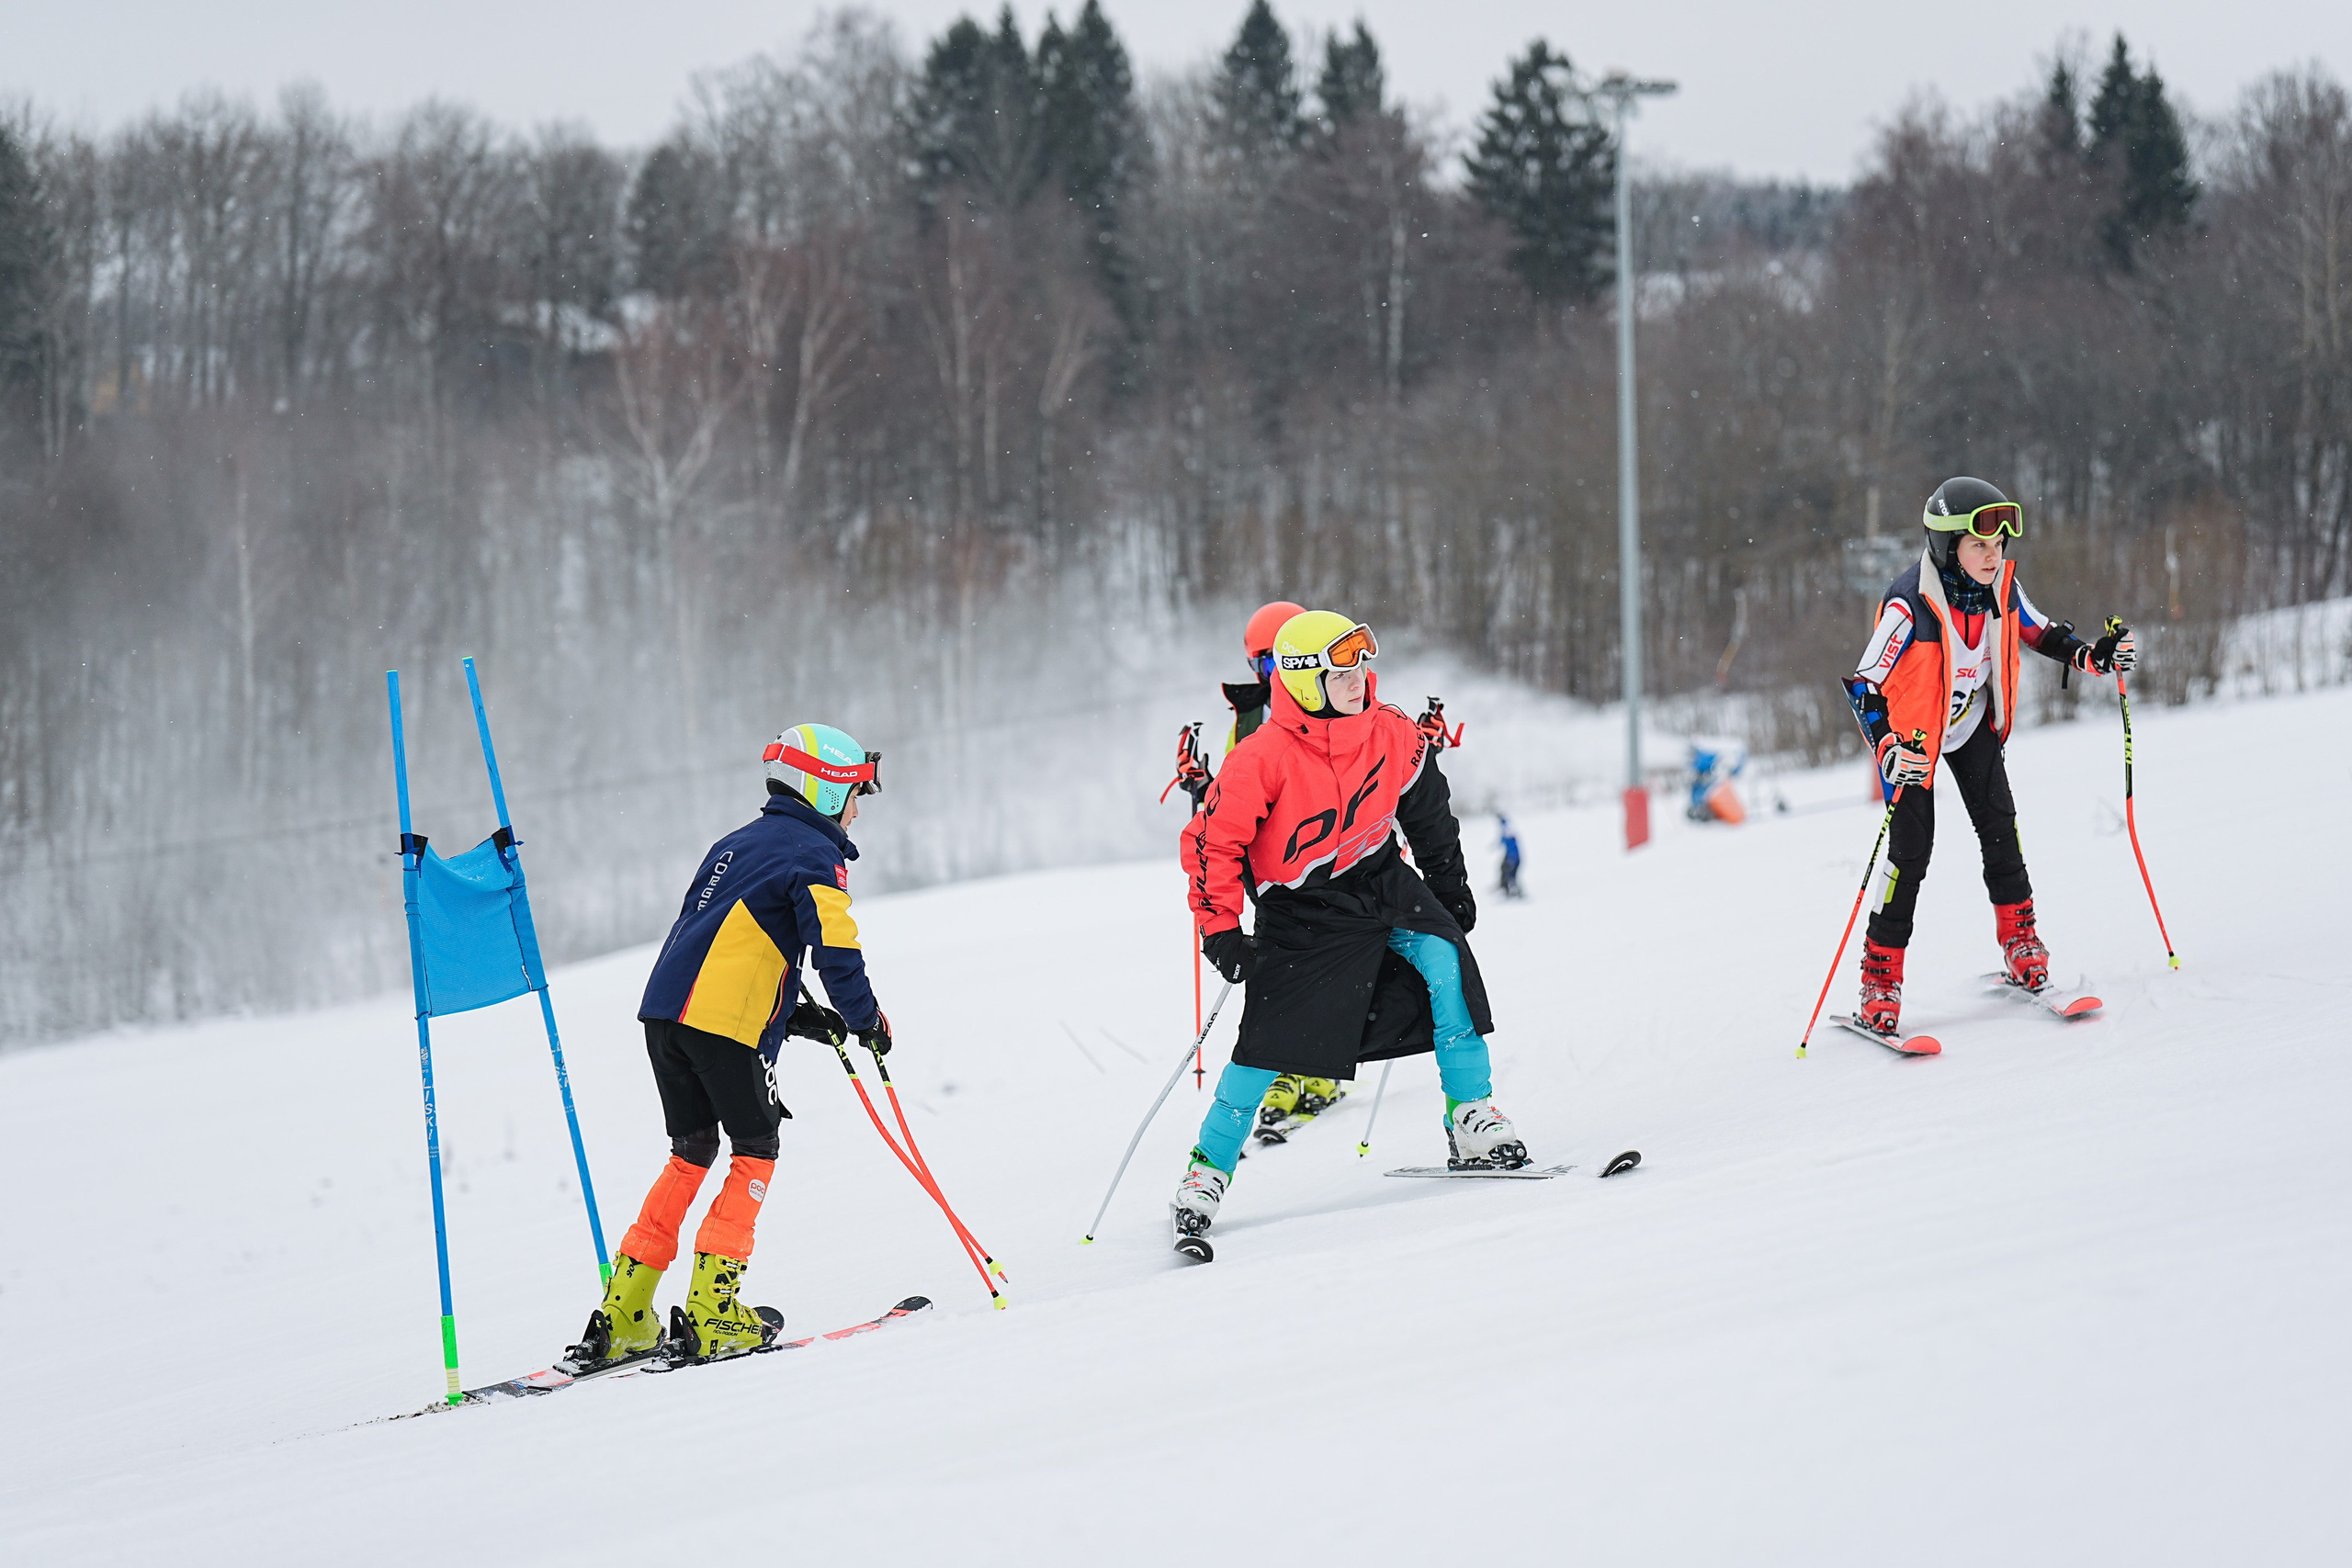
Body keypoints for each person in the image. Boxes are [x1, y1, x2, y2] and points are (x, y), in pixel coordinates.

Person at [1173, 609, 1521, 1252]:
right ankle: (1208, 1168)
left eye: (1363, 666)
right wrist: (1221, 931)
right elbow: (1210, 845)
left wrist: (1449, 886)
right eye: (1342, 672)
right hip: (1303, 910)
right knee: (1265, 1043)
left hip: (1381, 879)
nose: (1360, 680)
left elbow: (1429, 808)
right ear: (1306, 682)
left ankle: (1471, 1115)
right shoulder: (1261, 759)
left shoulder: (1388, 730)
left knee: (1446, 963)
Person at [561, 723, 888, 1368]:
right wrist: (866, 1019)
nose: (857, 809)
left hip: (666, 1016)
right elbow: (837, 953)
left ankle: (625, 1311)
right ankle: (713, 1313)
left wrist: (797, 1017)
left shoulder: (737, 844)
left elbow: (725, 946)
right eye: (854, 794)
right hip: (721, 1027)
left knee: (691, 1152)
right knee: (755, 1150)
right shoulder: (815, 858)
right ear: (824, 793)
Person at [1846, 478, 2135, 1035]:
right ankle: (1879, 981)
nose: (1993, 554)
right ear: (1945, 545)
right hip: (1914, 743)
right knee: (1911, 853)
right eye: (1979, 544)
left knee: (2000, 826)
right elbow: (1864, 685)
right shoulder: (1910, 605)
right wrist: (1886, 748)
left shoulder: (2002, 586)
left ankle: (2021, 942)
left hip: (1971, 724)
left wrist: (2093, 658)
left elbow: (2042, 633)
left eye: (1999, 545)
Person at [1496, 811, 1522, 898]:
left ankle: (1513, 892)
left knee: (1510, 874)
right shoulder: (1506, 827)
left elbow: (1507, 840)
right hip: (1510, 855)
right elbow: (1503, 839)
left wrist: (1512, 858)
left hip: (1513, 857)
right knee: (1504, 870)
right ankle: (1505, 889)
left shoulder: (1507, 828)